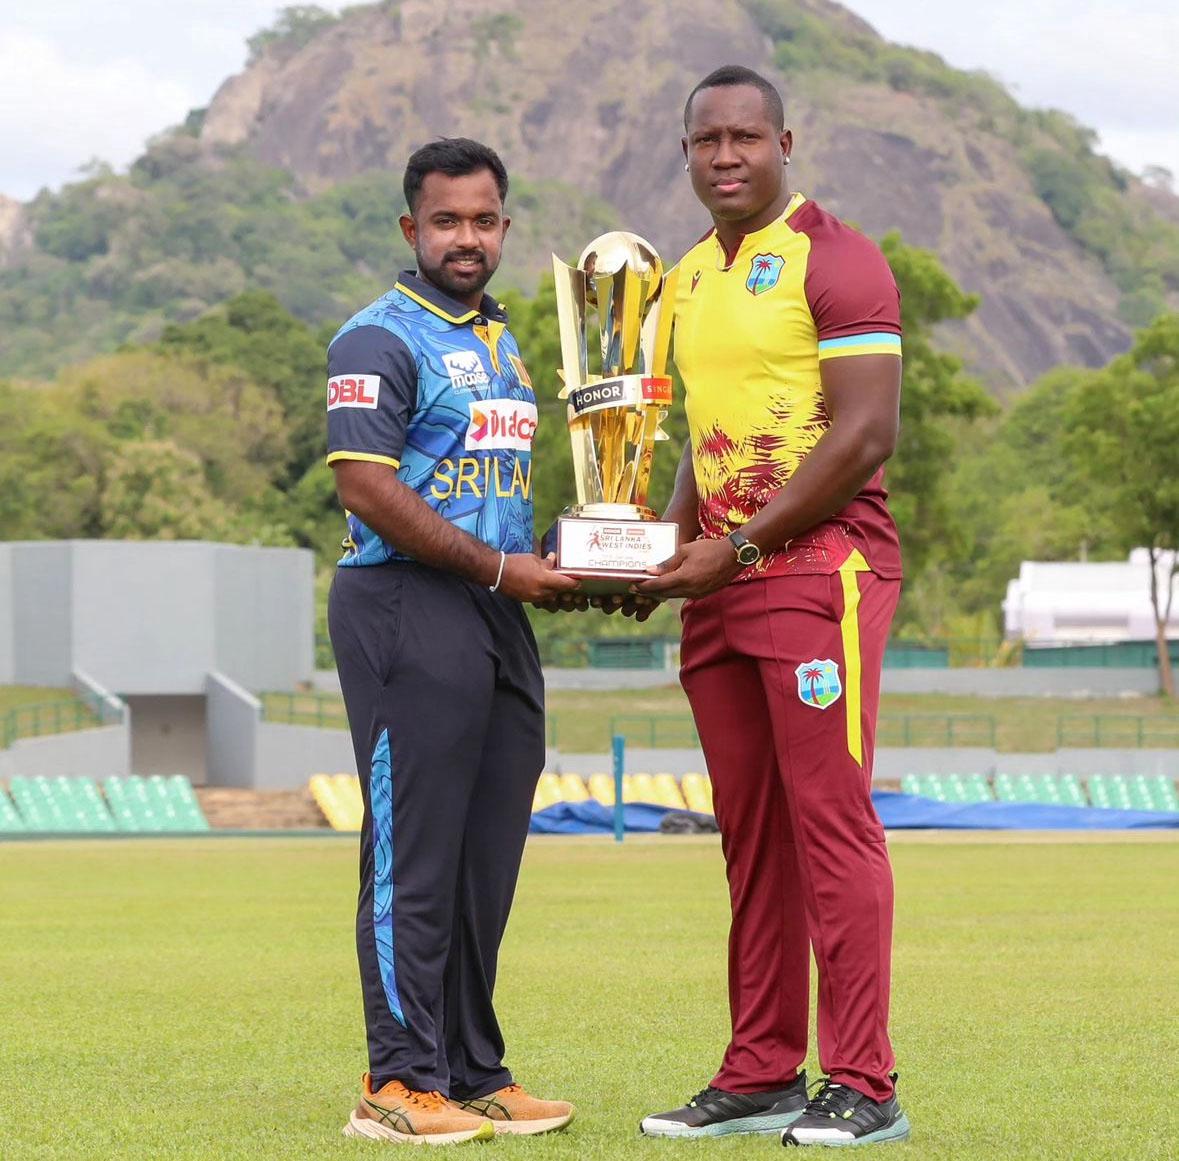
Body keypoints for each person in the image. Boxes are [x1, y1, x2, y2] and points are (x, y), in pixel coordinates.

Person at [635, 67, 911, 1147]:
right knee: (752, 839)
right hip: (723, 586)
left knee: (830, 828)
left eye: (747, 137)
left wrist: (739, 545)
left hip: (822, 576)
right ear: (688, 150)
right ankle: (761, 1072)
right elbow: (704, 446)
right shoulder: (688, 278)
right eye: (707, 140)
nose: (727, 156)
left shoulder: (836, 258)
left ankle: (866, 1082)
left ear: (785, 142)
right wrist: (654, 552)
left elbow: (864, 437)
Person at [325, 137, 578, 1145]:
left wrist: (572, 552)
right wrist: (500, 569)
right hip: (403, 607)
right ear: (411, 228)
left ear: (504, 228)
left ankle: (472, 1070)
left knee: (485, 861)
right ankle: (397, 1082)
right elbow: (367, 486)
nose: (466, 238)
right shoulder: (376, 338)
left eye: (483, 221)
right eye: (446, 221)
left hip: (495, 611)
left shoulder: (504, 341)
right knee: (413, 859)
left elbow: (493, 495)